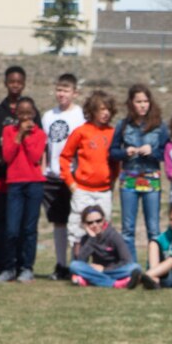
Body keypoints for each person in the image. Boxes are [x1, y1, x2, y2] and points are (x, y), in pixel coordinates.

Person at [111, 83, 167, 260]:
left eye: (145, 101)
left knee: (153, 228)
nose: (143, 105)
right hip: (129, 179)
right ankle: (131, 267)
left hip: (151, 178)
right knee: (128, 228)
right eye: (138, 101)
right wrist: (124, 153)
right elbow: (112, 151)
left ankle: (154, 268)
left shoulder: (159, 125)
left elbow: (166, 153)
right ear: (131, 103)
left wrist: (153, 152)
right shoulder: (123, 125)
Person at [0, 95, 46, 282]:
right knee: (12, 229)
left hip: (34, 183)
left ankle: (26, 267)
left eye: (28, 113)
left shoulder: (40, 134)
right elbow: (7, 156)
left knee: (29, 229)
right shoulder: (9, 130)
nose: (25, 117)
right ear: (16, 113)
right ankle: (9, 267)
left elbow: (35, 157)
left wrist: (27, 137)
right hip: (15, 183)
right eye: (21, 113)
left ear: (34, 114)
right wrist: (18, 135)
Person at [0, 65, 26, 279]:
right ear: (5, 83)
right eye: (12, 81)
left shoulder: (29, 110)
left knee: (18, 226)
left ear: (24, 84)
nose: (15, 85)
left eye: (19, 82)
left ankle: (19, 266)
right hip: (1, 179)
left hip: (22, 179)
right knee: (0, 225)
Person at [40, 73, 84, 279]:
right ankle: (60, 264)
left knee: (77, 221)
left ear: (75, 93)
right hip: (52, 176)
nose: (61, 94)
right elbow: (44, 146)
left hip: (74, 176)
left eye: (66, 90)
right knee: (58, 222)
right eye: (59, 90)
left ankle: (78, 265)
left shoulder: (80, 116)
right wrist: (43, 170)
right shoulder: (48, 116)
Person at [60, 91, 117, 247]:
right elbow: (65, 157)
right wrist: (71, 183)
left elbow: (115, 161)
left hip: (104, 192)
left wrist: (112, 181)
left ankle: (101, 268)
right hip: (82, 191)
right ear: (92, 110)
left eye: (108, 109)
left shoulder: (113, 133)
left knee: (103, 231)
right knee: (78, 231)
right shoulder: (81, 132)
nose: (105, 113)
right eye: (101, 109)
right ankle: (78, 268)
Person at [66, 206, 140, 288]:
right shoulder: (86, 238)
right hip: (95, 271)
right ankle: (117, 283)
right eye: (90, 223)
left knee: (135, 267)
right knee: (74, 266)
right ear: (85, 224)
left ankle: (90, 280)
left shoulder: (113, 235)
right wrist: (92, 239)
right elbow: (81, 261)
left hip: (115, 270)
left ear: (104, 220)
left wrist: (104, 269)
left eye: (98, 221)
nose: (95, 225)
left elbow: (126, 260)